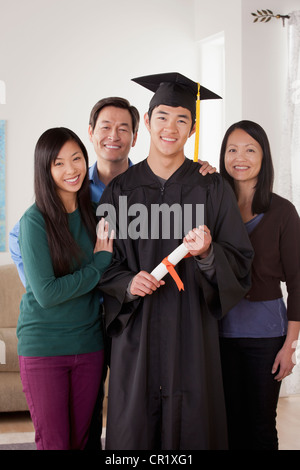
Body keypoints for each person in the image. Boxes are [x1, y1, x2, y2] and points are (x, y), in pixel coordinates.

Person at [9, 96, 215, 449]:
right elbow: (35, 269)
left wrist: (197, 171)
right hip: (75, 325)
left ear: (137, 134)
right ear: (92, 133)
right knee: (66, 434)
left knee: (99, 422)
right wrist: (63, 293)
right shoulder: (68, 197)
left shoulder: (147, 190)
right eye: (105, 126)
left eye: (124, 128)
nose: (114, 135)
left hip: (117, 325)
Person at [97, 72, 254, 450]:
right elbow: (105, 261)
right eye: (162, 117)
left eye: (182, 120)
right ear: (147, 123)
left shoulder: (211, 187)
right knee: (135, 432)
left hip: (192, 332)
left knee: (193, 427)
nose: (171, 127)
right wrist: (126, 283)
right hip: (139, 330)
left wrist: (207, 254)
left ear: (193, 128)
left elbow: (240, 259)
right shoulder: (121, 189)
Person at [17, 127, 114, 450]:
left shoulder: (95, 214)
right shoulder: (35, 221)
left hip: (88, 344)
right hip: (44, 347)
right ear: (45, 170)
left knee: (81, 440)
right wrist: (98, 265)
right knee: (56, 443)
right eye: (58, 163)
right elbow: (46, 293)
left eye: (76, 159)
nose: (70, 170)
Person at [218, 120, 300, 450]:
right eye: (232, 149)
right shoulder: (214, 208)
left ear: (264, 157)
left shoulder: (283, 212)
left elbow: (297, 281)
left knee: (261, 426)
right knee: (227, 423)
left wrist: (289, 346)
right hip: (219, 334)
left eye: (250, 149)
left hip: (266, 338)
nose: (241, 157)